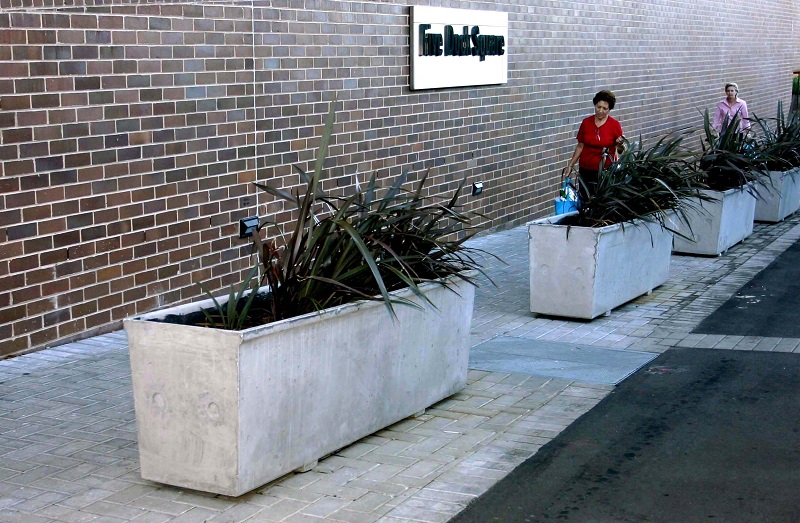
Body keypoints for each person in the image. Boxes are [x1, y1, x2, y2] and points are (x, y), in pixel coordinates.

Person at [565, 90, 625, 200]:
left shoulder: (614, 125)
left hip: (605, 172)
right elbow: (580, 146)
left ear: (609, 109)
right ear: (595, 105)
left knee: (601, 200)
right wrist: (570, 165)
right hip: (585, 170)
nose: (601, 111)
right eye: (598, 107)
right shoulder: (586, 123)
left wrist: (619, 144)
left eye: (605, 108)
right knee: (585, 199)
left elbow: (620, 150)